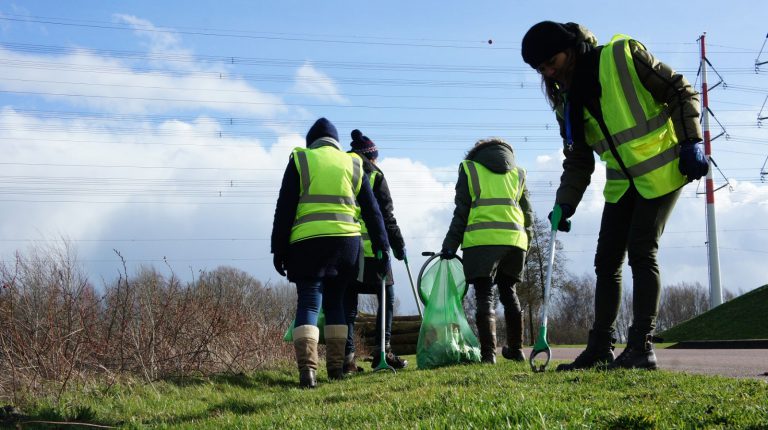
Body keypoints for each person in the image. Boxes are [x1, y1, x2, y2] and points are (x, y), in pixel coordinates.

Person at [521, 21, 708, 371]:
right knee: (606, 259)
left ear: (570, 47)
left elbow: (681, 91)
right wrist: (565, 202)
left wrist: (691, 141)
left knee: (641, 249)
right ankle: (601, 347)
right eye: (540, 69)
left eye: (551, 61)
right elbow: (578, 159)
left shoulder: (623, 56)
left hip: (664, 169)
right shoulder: (565, 101)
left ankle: (641, 347)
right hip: (623, 180)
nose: (548, 72)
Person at [271, 118, 390, 388]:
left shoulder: (301, 160)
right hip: (346, 245)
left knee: (310, 303)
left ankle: (308, 372)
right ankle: (336, 369)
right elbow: (373, 213)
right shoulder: (354, 163)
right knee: (336, 302)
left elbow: (285, 209)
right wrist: (383, 248)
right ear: (335, 143)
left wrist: (278, 249)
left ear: (311, 142)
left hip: (306, 245)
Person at [440, 138, 534, 364]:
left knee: (484, 294)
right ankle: (516, 349)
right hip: (515, 241)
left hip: (482, 240)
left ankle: (488, 354)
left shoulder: (469, 169)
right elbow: (528, 214)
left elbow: (461, 211)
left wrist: (450, 245)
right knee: (509, 291)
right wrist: (526, 243)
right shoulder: (518, 173)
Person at [342, 129, 409, 373]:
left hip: (345, 249)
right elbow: (386, 217)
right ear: (372, 157)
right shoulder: (373, 174)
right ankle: (383, 351)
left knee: (347, 302)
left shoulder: (341, 168)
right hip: (373, 250)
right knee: (387, 298)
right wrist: (399, 245)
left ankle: (347, 359)